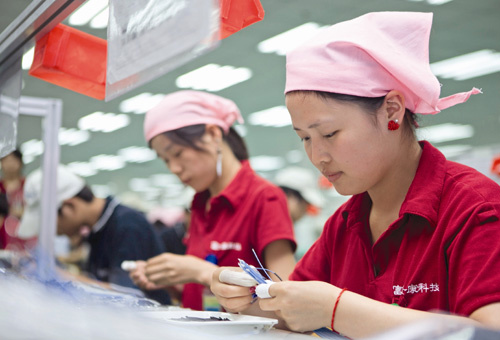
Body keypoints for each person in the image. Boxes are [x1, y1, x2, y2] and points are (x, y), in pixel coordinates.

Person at [210, 11, 500, 338]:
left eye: (330, 134)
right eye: (304, 138)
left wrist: (336, 309)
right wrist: (245, 300)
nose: (317, 156)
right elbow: (294, 311)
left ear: (392, 111)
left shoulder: (476, 209)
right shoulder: (347, 222)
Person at [130, 90, 297, 311]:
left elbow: (289, 299)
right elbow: (205, 292)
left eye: (177, 154)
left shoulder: (265, 197)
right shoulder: (200, 205)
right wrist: (173, 280)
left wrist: (201, 271)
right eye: (166, 161)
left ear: (212, 134)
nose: (174, 169)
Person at [19, 164, 171, 304]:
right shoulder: (98, 229)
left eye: (50, 222)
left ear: (69, 206)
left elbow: (129, 295)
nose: (53, 231)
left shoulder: (127, 225)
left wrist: (61, 276)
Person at [0, 149, 33, 250]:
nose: (9, 164)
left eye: (13, 160)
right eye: (6, 160)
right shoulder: (1, 187)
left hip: (26, 237)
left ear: (20, 162)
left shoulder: (29, 185)